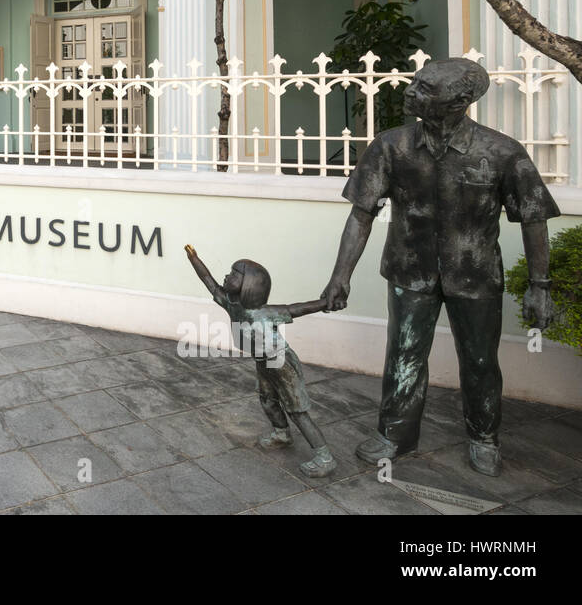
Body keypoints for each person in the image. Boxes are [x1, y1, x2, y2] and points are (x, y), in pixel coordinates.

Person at [321, 58, 558, 476]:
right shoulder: (390, 146)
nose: (411, 90)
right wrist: (340, 276)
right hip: (409, 271)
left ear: (460, 100)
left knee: (481, 360)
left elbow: (534, 218)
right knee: (404, 355)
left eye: (426, 87)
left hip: (477, 275)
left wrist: (541, 284)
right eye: (415, 81)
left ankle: (484, 436)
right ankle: (395, 433)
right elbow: (362, 214)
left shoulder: (502, 152)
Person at [185, 245, 337, 478]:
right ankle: (281, 433)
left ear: (250, 284)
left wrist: (325, 303)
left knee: (297, 411)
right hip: (263, 361)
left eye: (235, 273)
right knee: (267, 400)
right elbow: (208, 280)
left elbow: (296, 309)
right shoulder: (231, 303)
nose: (228, 276)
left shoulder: (265, 312)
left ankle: (325, 457)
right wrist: (194, 257)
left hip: (281, 362)